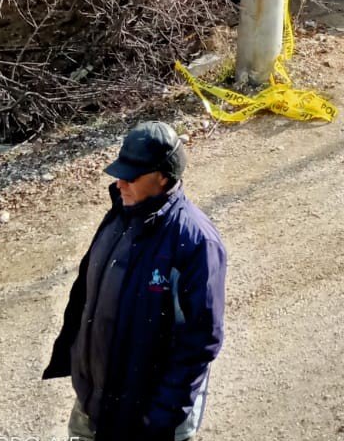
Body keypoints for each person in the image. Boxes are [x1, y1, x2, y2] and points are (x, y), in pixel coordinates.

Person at [43, 120, 226, 441]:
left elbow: (199, 341)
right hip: (95, 404)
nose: (120, 181)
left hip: (148, 419)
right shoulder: (122, 214)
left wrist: (160, 420)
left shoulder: (195, 242)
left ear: (163, 176)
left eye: (132, 174)